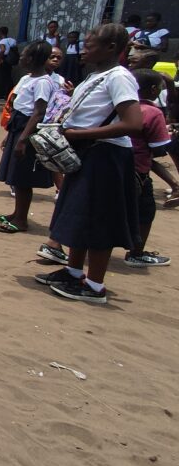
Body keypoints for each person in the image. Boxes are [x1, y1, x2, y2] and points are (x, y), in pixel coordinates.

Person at [33, 24, 142, 304]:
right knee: (79, 215)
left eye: (91, 45)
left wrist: (80, 134)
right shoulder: (96, 75)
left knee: (98, 220)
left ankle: (94, 286)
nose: (84, 50)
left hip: (105, 156)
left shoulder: (119, 77)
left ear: (111, 49)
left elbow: (132, 123)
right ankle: (72, 271)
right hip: (86, 153)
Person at [0, 41, 56, 234]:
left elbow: (38, 112)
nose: (20, 58)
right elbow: (17, 105)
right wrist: (10, 135)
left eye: (24, 55)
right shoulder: (26, 78)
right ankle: (16, 212)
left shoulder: (43, 82)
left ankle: (21, 220)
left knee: (22, 177)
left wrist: (23, 139)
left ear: (32, 58)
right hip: (18, 126)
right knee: (15, 175)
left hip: (28, 129)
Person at [122, 69, 171, 268]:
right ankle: (136, 252)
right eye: (160, 88)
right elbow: (158, 149)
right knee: (145, 212)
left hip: (114, 165)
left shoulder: (119, 106)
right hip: (138, 171)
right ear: (153, 90)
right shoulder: (152, 111)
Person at [0, 26, 17, 100]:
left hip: (2, 58)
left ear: (0, 32)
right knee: (7, 77)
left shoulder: (2, 41)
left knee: (0, 77)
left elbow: (2, 50)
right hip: (8, 60)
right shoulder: (12, 40)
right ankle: (9, 94)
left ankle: (0, 95)